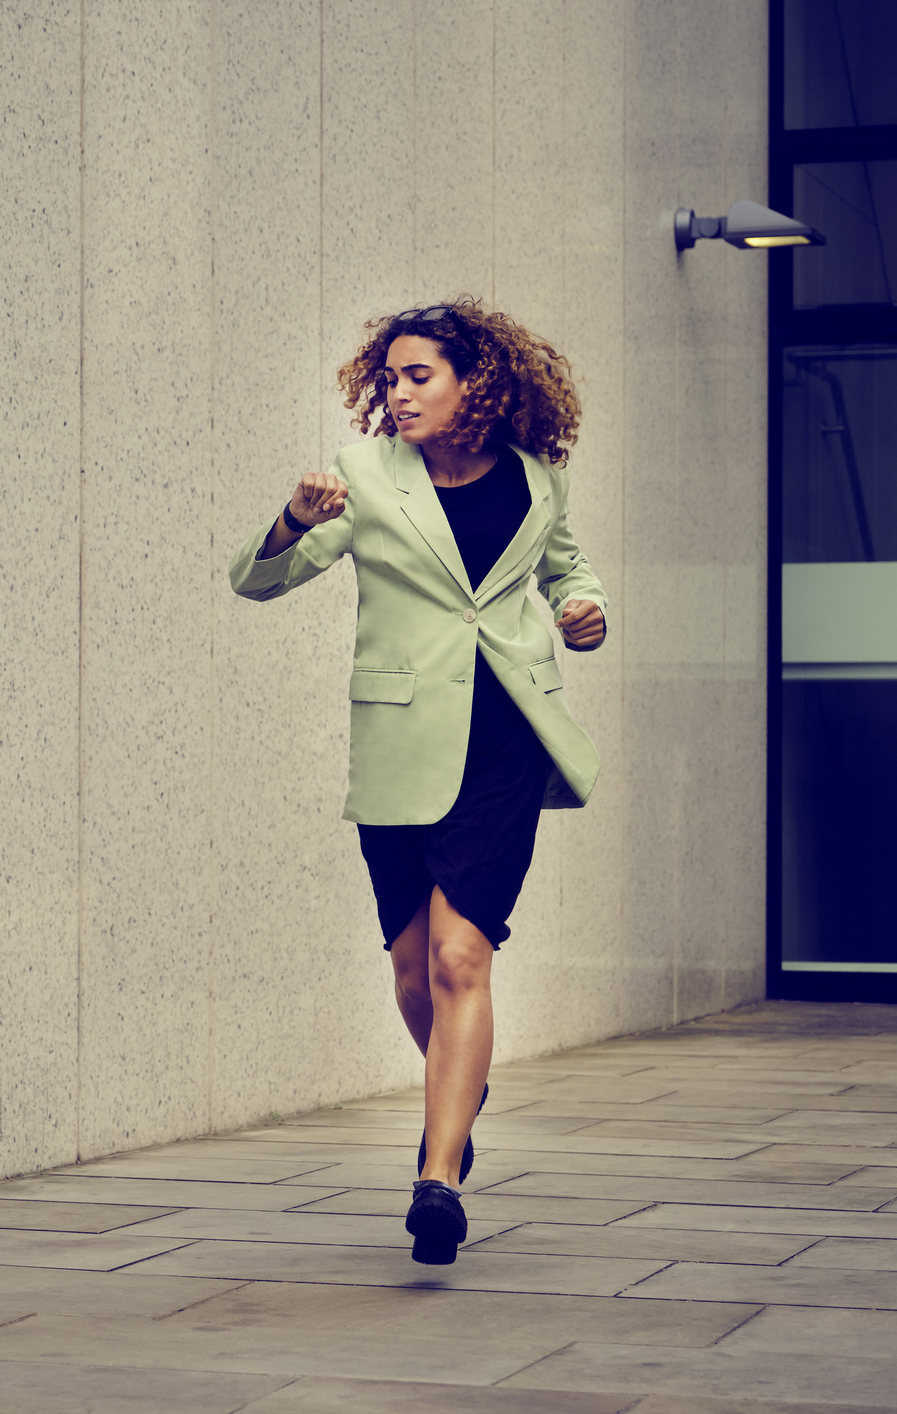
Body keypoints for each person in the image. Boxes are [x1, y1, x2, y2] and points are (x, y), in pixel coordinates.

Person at [226, 299, 608, 1265]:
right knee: (409, 972)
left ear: (476, 381)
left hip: (503, 739)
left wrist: (582, 608)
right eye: (387, 379)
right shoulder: (362, 476)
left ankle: (437, 1179)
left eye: (416, 377)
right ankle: (457, 1106)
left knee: (458, 959)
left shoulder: (537, 480)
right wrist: (291, 521)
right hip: (400, 740)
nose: (394, 395)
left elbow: (566, 571)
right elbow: (257, 580)